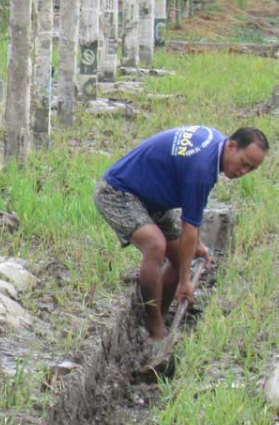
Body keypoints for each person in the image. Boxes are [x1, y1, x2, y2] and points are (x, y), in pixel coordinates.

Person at [93, 126, 268, 340]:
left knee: (179, 256)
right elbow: (190, 227)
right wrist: (186, 281)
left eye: (250, 169)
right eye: (243, 164)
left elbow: (190, 229)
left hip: (151, 198)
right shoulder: (202, 169)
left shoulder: (215, 144)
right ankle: (153, 326)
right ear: (232, 146)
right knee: (155, 246)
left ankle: (160, 315)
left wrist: (193, 247)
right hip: (118, 192)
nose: (243, 172)